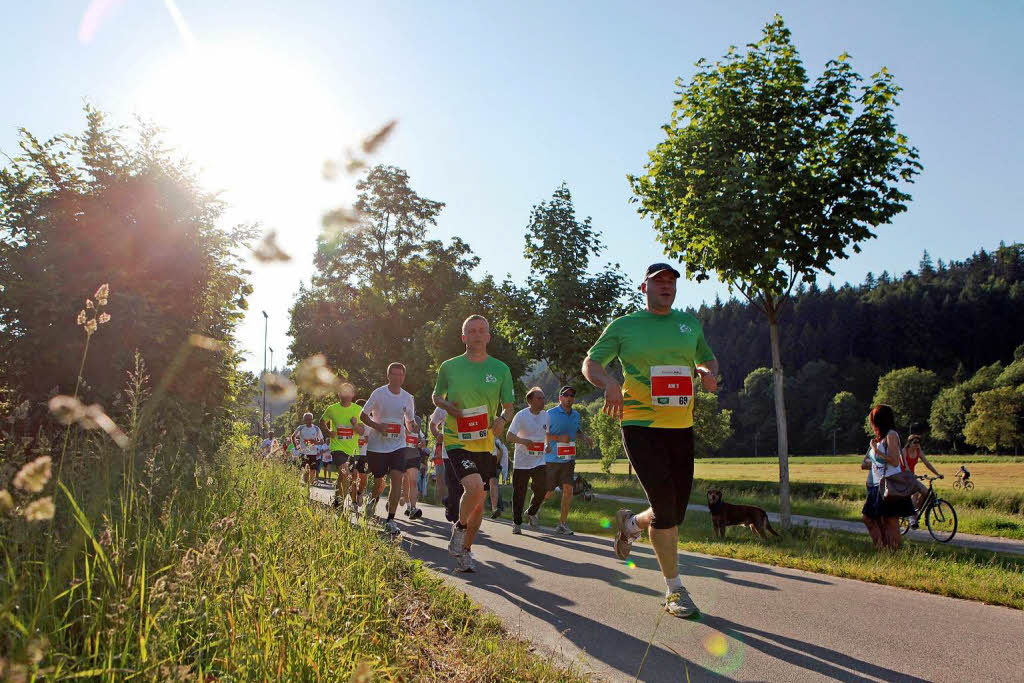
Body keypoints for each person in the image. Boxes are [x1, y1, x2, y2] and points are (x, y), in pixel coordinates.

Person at [582, 262, 719, 619]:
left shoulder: (689, 324)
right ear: (644, 288)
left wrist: (707, 373)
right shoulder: (624, 326)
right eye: (659, 281)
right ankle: (675, 591)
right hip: (640, 424)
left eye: (671, 281)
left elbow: (707, 359)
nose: (666, 286)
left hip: (681, 426)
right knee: (664, 504)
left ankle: (631, 524)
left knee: (672, 512)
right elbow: (591, 363)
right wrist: (610, 383)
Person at [433, 315, 515, 572]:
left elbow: (509, 407)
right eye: (471, 331)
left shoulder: (501, 369)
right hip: (457, 440)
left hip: (484, 443)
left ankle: (465, 551)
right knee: (474, 486)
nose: (477, 335)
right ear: (463, 337)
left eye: (482, 331)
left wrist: (502, 419)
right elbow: (437, 396)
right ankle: (459, 528)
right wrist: (448, 406)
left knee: (478, 505)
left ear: (488, 337)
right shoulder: (449, 366)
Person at [361, 363, 417, 535]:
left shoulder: (408, 397)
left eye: (400, 375)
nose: (397, 378)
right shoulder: (378, 393)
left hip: (398, 445)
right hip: (377, 446)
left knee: (397, 480)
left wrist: (412, 426)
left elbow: (409, 421)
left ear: (403, 377)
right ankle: (372, 501)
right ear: (388, 376)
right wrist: (377, 427)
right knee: (379, 482)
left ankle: (390, 520)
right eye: (394, 374)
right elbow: (363, 415)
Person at [539, 386, 593, 535]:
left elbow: (576, 430)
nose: (569, 398)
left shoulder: (575, 415)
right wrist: (557, 439)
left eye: (572, 395)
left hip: (568, 458)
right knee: (549, 492)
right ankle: (533, 509)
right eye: (566, 395)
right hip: (551, 459)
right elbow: (542, 434)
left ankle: (562, 524)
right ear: (560, 398)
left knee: (568, 490)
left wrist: (585, 437)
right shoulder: (550, 414)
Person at [862, 404, 915, 550]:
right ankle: (882, 550)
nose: (871, 423)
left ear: (879, 420)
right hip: (876, 484)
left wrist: (875, 452)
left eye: (872, 419)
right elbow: (866, 464)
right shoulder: (878, 438)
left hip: (890, 484)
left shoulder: (891, 435)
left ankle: (894, 554)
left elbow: (894, 460)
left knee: (890, 521)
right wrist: (873, 456)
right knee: (870, 519)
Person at [506, 386, 551, 534]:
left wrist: (547, 445)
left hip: (539, 460)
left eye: (543, 398)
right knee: (519, 493)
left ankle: (531, 512)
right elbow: (509, 436)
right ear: (529, 401)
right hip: (522, 462)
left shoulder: (546, 415)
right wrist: (524, 441)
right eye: (539, 398)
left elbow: (546, 434)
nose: (543, 401)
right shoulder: (521, 415)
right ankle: (517, 523)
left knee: (542, 489)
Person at [320, 383, 365, 509]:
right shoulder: (332, 409)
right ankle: (340, 506)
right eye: (343, 392)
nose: (346, 394)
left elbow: (361, 431)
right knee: (346, 474)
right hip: (337, 448)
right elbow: (322, 421)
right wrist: (328, 431)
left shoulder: (358, 410)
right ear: (339, 394)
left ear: (353, 394)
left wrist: (355, 425)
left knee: (343, 476)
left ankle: (336, 500)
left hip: (353, 450)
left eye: (348, 392)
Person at [903, 428, 942, 527]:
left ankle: (915, 512)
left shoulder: (918, 451)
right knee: (915, 493)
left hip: (912, 476)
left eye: (919, 442)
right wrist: (911, 475)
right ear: (910, 443)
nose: (917, 444)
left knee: (925, 492)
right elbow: (905, 465)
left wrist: (937, 474)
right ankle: (912, 517)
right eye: (915, 442)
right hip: (903, 475)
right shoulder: (904, 451)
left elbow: (927, 463)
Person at [430, 405, 461, 522]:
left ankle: (449, 502)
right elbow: (432, 425)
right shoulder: (442, 407)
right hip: (448, 452)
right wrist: (438, 434)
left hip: (468, 451)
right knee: (453, 483)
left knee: (464, 485)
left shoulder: (471, 399)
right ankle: (456, 517)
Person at [401, 418, 426, 519]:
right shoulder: (399, 417)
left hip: (413, 456)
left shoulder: (418, 420)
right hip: (400, 455)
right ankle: (406, 504)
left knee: (413, 481)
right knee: (403, 482)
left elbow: (422, 438)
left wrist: (422, 443)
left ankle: (413, 508)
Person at [291, 412, 325, 487]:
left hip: (313, 453)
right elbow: (293, 436)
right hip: (303, 453)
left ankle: (309, 485)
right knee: (304, 470)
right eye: (306, 419)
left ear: (312, 419)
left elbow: (322, 441)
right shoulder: (301, 427)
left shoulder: (316, 428)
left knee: (312, 470)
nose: (308, 420)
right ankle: (306, 484)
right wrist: (296, 446)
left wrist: (316, 442)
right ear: (304, 419)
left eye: (309, 419)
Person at [488, 437, 508, 519]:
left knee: (491, 486)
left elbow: (501, 453)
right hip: (496, 466)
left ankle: (494, 508)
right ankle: (494, 508)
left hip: (493, 465)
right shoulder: (498, 441)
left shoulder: (496, 441)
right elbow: (502, 453)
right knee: (494, 486)